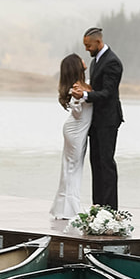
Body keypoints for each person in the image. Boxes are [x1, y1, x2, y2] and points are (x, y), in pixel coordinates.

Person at [74, 27, 123, 210]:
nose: (86, 49)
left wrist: (85, 96)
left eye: (88, 45)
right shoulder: (96, 61)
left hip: (108, 120)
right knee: (95, 162)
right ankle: (98, 205)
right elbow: (95, 89)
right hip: (95, 121)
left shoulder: (113, 62)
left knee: (106, 162)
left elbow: (107, 93)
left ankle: (111, 207)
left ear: (98, 42)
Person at [50, 52, 92, 221]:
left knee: (72, 168)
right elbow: (78, 111)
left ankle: (63, 208)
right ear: (76, 65)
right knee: (72, 168)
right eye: (80, 59)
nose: (84, 60)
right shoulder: (76, 88)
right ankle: (69, 210)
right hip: (75, 131)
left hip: (77, 130)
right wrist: (77, 98)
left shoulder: (85, 85)